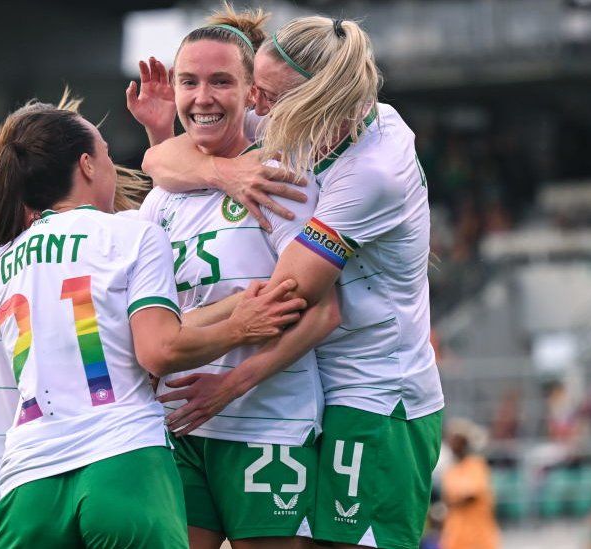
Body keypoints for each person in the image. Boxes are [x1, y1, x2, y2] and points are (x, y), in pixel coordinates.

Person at [0, 101, 305, 548]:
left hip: (28, 475)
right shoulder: (132, 233)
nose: (111, 166)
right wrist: (240, 327)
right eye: (107, 154)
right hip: (122, 458)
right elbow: (158, 351)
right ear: (87, 165)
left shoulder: (0, 261)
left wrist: (232, 306)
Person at [138, 14, 444, 549]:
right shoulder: (303, 121)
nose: (255, 107)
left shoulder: (371, 173)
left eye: (269, 96)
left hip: (375, 391)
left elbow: (289, 298)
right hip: (319, 383)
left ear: (320, 98)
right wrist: (224, 172)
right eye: (254, 88)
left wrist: (196, 354)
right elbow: (161, 159)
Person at [131, 7, 338, 548]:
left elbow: (323, 309)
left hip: (266, 421)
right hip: (179, 425)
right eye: (189, 82)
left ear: (252, 94)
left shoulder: (278, 180)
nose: (203, 97)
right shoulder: (161, 197)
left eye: (221, 81)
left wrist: (229, 386)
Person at [439, 430, 499, 549]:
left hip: (477, 534)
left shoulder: (475, 465)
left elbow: (472, 494)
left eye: (457, 442)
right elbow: (446, 496)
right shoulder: (451, 470)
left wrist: (452, 503)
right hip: (456, 534)